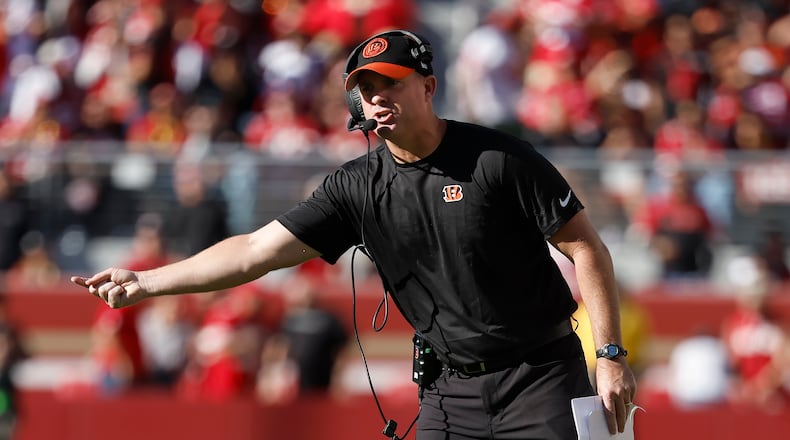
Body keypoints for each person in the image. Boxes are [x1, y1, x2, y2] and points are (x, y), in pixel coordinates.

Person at [71, 29, 636, 439]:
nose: (376, 98)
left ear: (429, 85)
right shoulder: (355, 186)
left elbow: (587, 246)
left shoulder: (498, 158)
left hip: (540, 378)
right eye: (365, 89)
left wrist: (609, 355)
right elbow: (254, 252)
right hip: (447, 392)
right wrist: (146, 282)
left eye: (390, 83)